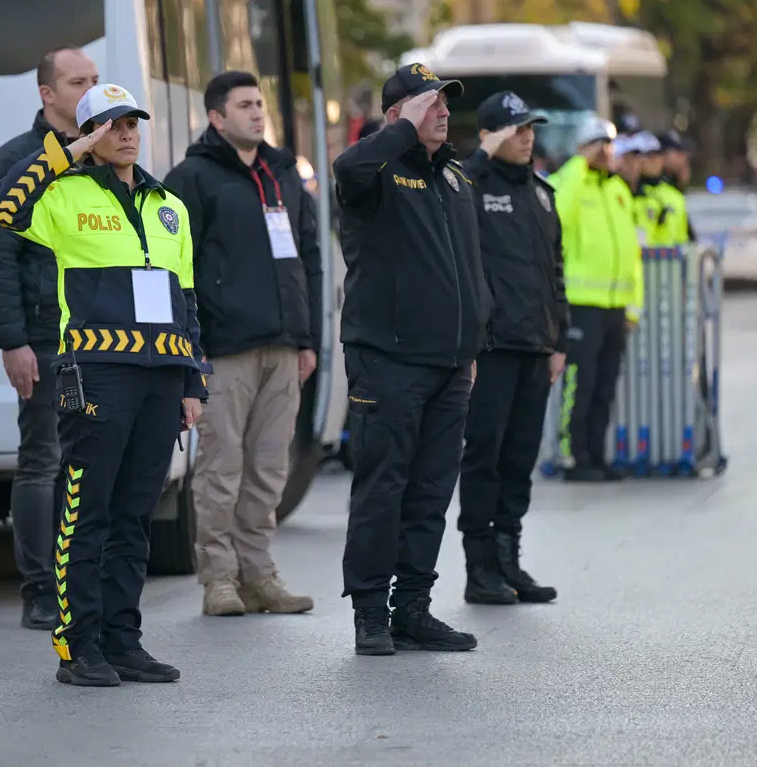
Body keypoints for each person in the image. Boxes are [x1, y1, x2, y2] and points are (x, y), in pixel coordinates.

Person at [0, 82, 210, 687]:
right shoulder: (64, 195)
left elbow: (187, 300)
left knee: (137, 516)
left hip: (162, 379)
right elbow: (5, 209)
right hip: (96, 376)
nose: (127, 133)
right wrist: (68, 150)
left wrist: (194, 380)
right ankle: (77, 645)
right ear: (90, 136)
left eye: (132, 122)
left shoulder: (171, 206)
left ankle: (123, 639)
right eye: (112, 125)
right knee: (88, 513)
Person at [332, 63, 491, 656]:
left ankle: (414, 609)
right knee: (383, 488)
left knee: (430, 492)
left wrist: (475, 346)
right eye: (431, 103)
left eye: (447, 102)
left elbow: (472, 269)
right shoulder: (375, 170)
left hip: (450, 364)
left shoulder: (454, 176)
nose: (444, 111)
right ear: (397, 116)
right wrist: (400, 131)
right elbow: (348, 167)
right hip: (388, 360)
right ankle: (370, 613)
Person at [163, 71, 321, 617]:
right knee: (221, 467)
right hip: (222, 348)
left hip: (283, 347)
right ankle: (219, 580)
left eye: (260, 104)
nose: (258, 113)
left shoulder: (282, 174)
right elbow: (173, 267)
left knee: (269, 467)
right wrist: (190, 346)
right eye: (245, 105)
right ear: (216, 117)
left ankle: (260, 574)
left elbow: (307, 258)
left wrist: (306, 338)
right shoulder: (193, 179)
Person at [0, 46, 100, 630]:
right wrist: (13, 341)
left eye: (96, 80)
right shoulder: (17, 160)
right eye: (78, 82)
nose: (90, 90)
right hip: (46, 338)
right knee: (42, 462)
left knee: (91, 463)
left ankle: (83, 580)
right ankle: (39, 590)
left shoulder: (106, 154)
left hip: (105, 338)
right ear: (47, 94)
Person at [457, 91, 562, 606]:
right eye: (514, 131)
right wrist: (482, 152)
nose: (526, 138)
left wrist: (557, 340)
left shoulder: (542, 193)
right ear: (488, 136)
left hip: (534, 346)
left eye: (530, 130)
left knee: (520, 458)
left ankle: (508, 560)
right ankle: (480, 569)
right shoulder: (470, 184)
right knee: (484, 457)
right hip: (491, 348)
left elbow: (554, 274)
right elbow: (453, 189)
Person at [547, 118, 642, 483]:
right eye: (597, 145)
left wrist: (634, 305)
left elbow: (630, 252)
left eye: (609, 145)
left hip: (615, 305)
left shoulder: (618, 190)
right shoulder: (569, 182)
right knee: (580, 383)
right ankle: (575, 456)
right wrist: (578, 165)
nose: (605, 151)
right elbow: (559, 215)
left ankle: (597, 454)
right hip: (582, 303)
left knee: (605, 384)